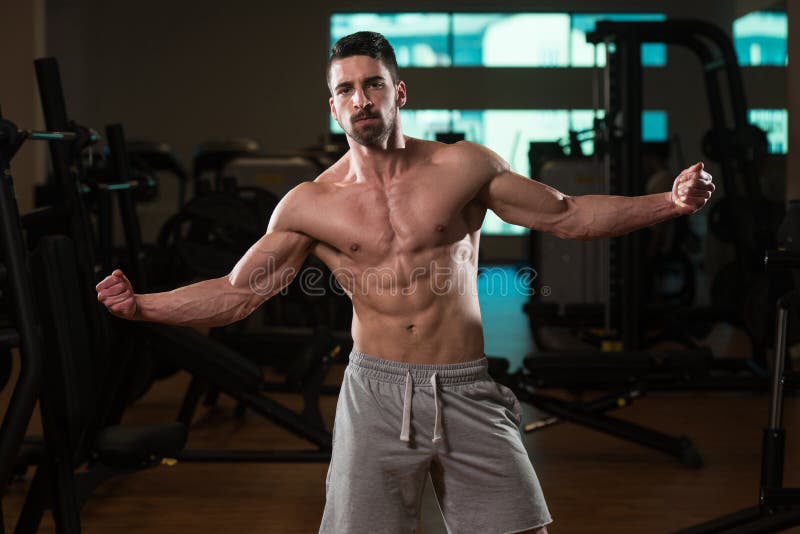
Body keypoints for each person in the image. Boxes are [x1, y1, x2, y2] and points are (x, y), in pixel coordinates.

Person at [96, 31, 715, 534]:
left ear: (400, 91)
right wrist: (141, 306)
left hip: (467, 388)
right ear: (333, 106)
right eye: (347, 90)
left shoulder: (464, 166)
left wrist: (671, 202)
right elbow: (238, 294)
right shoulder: (310, 205)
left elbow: (569, 215)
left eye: (373, 84)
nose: (361, 99)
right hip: (376, 395)